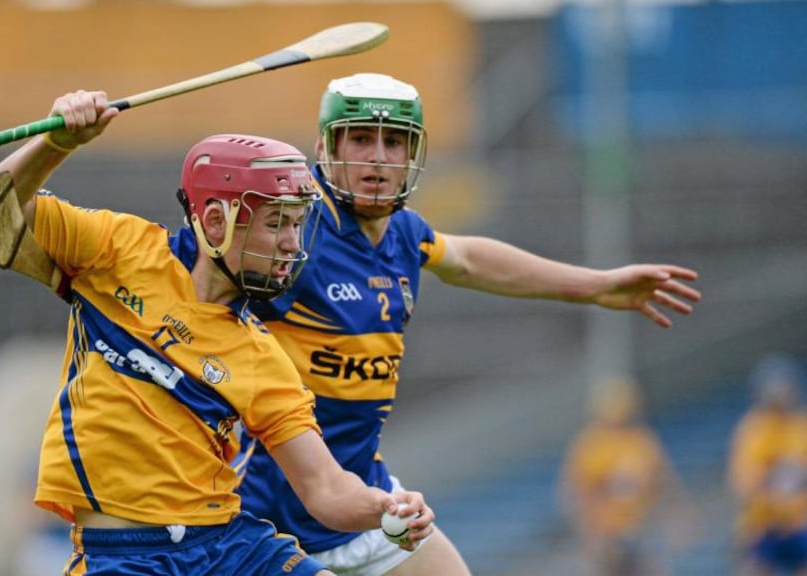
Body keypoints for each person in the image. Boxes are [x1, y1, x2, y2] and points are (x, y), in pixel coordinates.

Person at [235, 72, 702, 575]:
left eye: (394, 142)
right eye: (362, 139)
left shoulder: (405, 235)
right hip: (268, 517)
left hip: (367, 500)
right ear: (326, 149)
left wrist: (597, 285)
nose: (378, 158)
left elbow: (470, 260)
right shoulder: (295, 235)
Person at [0, 89, 437, 576]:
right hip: (121, 555)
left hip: (228, 548)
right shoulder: (118, 251)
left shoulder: (261, 355)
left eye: (298, 225)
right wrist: (56, 144)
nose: (292, 244)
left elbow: (326, 489)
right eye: (277, 223)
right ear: (216, 221)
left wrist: (386, 508)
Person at [559, 375, 700, 576]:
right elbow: (572, 494)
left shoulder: (641, 441)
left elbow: (664, 482)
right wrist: (590, 533)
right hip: (605, 536)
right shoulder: (590, 445)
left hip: (640, 530)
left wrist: (678, 516)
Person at [728, 353, 807, 576]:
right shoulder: (753, 430)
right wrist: (775, 508)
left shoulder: (801, 427)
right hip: (763, 526)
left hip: (799, 524)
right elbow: (744, 485)